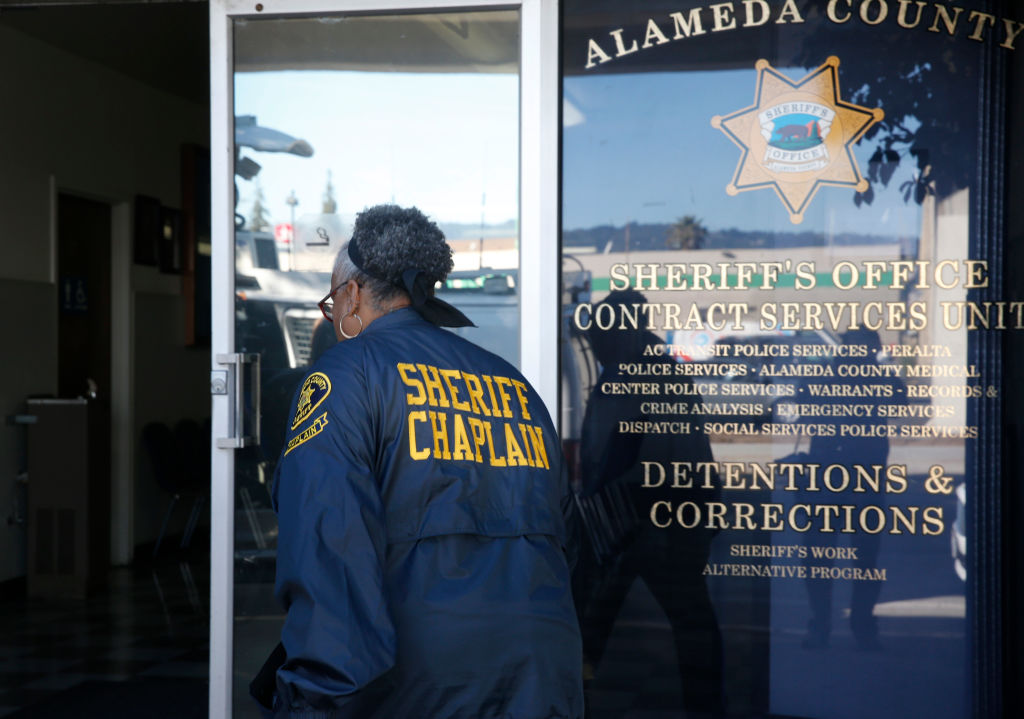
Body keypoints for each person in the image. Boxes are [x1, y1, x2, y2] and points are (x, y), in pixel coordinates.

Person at [269, 204, 583, 718]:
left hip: (420, 682)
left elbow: (328, 550)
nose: (336, 319)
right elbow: (563, 537)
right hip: (542, 671)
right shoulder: (513, 384)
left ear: (351, 295)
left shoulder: (347, 375)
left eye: (332, 303)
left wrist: (315, 700)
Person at [574, 290, 724, 717]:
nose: (596, 344)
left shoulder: (650, 376)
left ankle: (706, 705)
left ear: (624, 330)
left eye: (602, 333)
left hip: (655, 522)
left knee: (687, 621)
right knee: (598, 624)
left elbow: (658, 456)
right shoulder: (628, 371)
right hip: (632, 522)